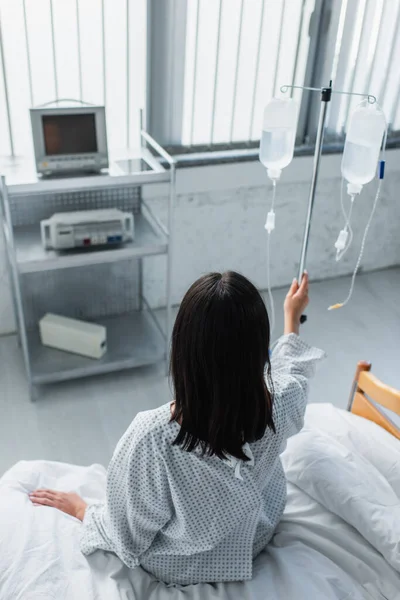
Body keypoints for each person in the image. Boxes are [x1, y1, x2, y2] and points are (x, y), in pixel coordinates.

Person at [29, 271, 325, 585]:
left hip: (186, 568)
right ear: (257, 352)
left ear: (183, 349)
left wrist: (82, 511)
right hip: (256, 536)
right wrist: (292, 317)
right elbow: (294, 371)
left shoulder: (153, 439)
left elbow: (127, 537)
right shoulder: (281, 403)